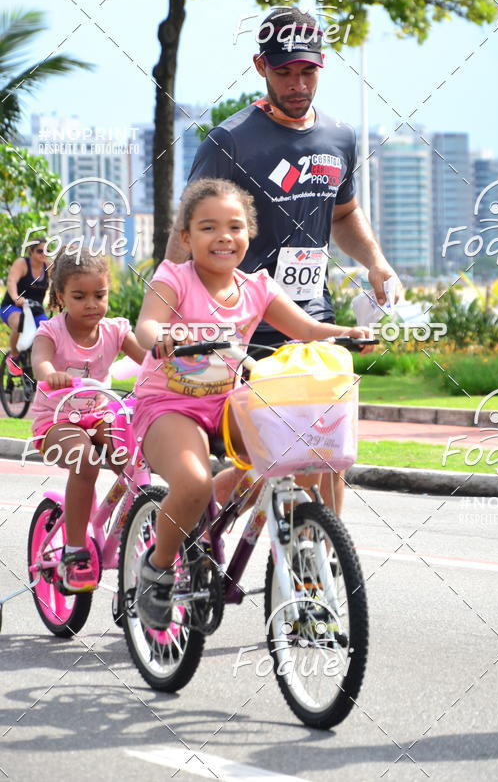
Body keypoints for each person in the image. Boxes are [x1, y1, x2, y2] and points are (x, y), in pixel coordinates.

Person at [165, 5, 401, 515]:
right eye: (284, 71)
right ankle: (197, 534)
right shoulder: (232, 141)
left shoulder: (339, 136)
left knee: (328, 450)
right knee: (263, 458)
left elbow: (344, 214)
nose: (297, 84)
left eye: (307, 71)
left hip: (312, 315)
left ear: (321, 66)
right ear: (260, 66)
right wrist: (172, 312)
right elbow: (186, 233)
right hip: (243, 323)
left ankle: (317, 569)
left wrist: (376, 263)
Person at [134, 178, 371, 629]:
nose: (223, 236)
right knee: (192, 483)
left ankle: (300, 565)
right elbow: (147, 325)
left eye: (235, 227)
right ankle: (158, 569)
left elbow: (307, 329)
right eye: (207, 228)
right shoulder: (173, 277)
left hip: (230, 403)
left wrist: (347, 335)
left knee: (304, 451)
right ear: (186, 238)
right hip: (168, 404)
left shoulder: (257, 286)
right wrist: (162, 337)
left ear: (249, 234)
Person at [31, 247, 145, 593]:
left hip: (98, 413)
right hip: (56, 420)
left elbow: (149, 358)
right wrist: (53, 374)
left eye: (100, 295)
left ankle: (137, 535)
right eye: (79, 296)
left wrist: (171, 367)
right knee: (85, 461)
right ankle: (75, 550)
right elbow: (41, 363)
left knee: (134, 455)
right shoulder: (50, 333)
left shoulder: (115, 330)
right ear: (61, 296)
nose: (92, 304)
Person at [1, 241, 50, 375]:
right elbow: (11, 281)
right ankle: (14, 357)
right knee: (20, 323)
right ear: (31, 252)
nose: (44, 254)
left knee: (48, 332)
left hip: (35, 310)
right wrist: (16, 297)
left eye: (47, 250)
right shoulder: (22, 263)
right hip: (12, 306)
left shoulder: (48, 266)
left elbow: (58, 285)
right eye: (40, 251)